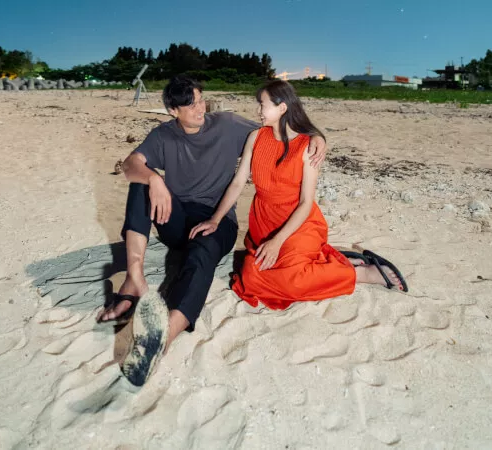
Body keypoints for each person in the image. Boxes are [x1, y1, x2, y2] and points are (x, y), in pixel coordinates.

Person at [97, 75, 328, 389]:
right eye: (190, 105)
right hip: (175, 219)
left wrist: (317, 137)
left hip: (217, 220)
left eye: (200, 99)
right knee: (140, 183)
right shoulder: (163, 135)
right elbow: (130, 164)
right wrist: (154, 179)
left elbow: (280, 128)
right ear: (172, 110)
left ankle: (165, 335)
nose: (200, 109)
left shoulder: (228, 125)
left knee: (202, 254)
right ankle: (134, 278)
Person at [190, 80, 408, 312]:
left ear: (282, 107)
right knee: (250, 279)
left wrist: (277, 241)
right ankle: (330, 259)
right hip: (264, 223)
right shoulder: (255, 137)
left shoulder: (307, 147)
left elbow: (305, 203)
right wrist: (215, 219)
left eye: (262, 104)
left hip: (298, 223)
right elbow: (237, 183)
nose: (258, 110)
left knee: (293, 281)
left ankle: (362, 273)